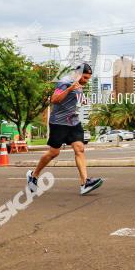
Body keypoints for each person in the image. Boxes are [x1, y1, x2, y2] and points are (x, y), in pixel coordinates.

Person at [27, 63, 103, 195]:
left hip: (73, 121)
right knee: (54, 153)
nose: (86, 81)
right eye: (84, 78)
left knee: (79, 148)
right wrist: (70, 89)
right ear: (78, 74)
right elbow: (54, 99)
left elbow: (77, 98)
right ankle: (34, 175)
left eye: (88, 79)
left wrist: (83, 99)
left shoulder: (79, 84)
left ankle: (85, 183)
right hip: (59, 123)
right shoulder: (65, 82)